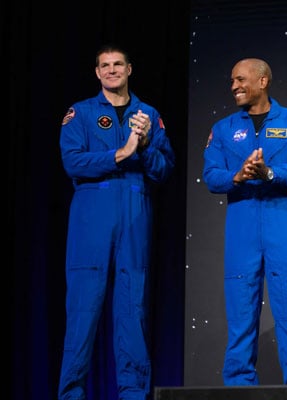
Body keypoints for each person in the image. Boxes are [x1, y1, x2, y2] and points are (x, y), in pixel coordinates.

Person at [58, 44, 175, 400]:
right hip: (92, 214)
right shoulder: (80, 113)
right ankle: (71, 394)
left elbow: (164, 168)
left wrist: (145, 146)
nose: (111, 70)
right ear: (97, 73)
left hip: (135, 210)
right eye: (105, 66)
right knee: (83, 309)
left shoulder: (148, 113)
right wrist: (119, 154)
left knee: (133, 308)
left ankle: (133, 394)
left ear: (129, 69)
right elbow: (73, 162)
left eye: (118, 64)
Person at [202, 58, 287, 389]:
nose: (234, 86)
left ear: (263, 81)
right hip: (242, 225)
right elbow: (211, 175)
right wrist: (237, 175)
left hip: (280, 219)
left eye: (240, 80)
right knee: (241, 317)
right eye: (232, 81)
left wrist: (270, 172)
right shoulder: (224, 128)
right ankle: (239, 388)